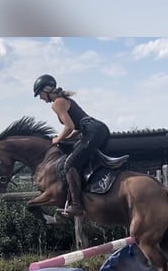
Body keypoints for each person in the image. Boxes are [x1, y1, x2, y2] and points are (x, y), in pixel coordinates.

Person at [33, 74, 111, 217]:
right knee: (85, 162)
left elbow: (69, 126)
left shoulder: (57, 103)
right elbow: (75, 127)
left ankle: (76, 205)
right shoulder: (64, 100)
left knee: (70, 164)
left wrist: (58, 139)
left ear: (46, 90)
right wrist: (66, 138)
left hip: (93, 132)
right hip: (99, 130)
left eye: (40, 94)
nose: (40, 98)